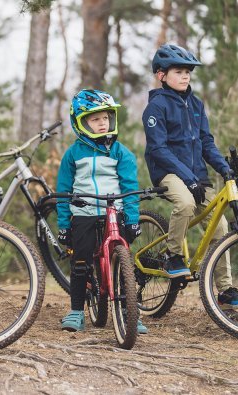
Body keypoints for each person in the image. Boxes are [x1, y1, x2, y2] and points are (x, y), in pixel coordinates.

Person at [141, 44, 238, 309]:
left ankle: (225, 291)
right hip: (168, 174)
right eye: (179, 71)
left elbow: (206, 142)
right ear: (161, 75)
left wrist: (223, 168)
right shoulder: (156, 107)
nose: (186, 76)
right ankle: (173, 256)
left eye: (188, 72)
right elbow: (158, 149)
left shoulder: (196, 105)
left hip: (196, 177)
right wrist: (187, 176)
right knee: (186, 204)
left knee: (221, 226)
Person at [56, 89, 147, 333]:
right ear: (81, 122)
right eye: (95, 119)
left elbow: (130, 188)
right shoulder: (73, 154)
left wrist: (133, 218)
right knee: (81, 262)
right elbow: (63, 191)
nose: (102, 123)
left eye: (106, 118)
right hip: (84, 213)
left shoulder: (121, 152)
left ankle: (130, 313)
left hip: (114, 212)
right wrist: (64, 224)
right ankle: (76, 311)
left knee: (124, 260)